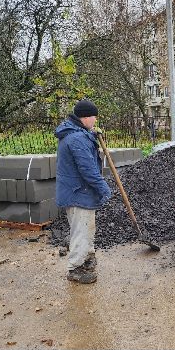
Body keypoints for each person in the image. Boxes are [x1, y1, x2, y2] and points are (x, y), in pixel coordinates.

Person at [55, 99, 111, 284]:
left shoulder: (77, 133)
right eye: (94, 117)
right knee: (81, 231)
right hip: (78, 192)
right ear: (85, 117)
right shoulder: (77, 139)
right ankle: (75, 268)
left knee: (87, 228)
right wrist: (104, 189)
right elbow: (88, 170)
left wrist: (91, 134)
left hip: (79, 191)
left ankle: (87, 257)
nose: (95, 120)